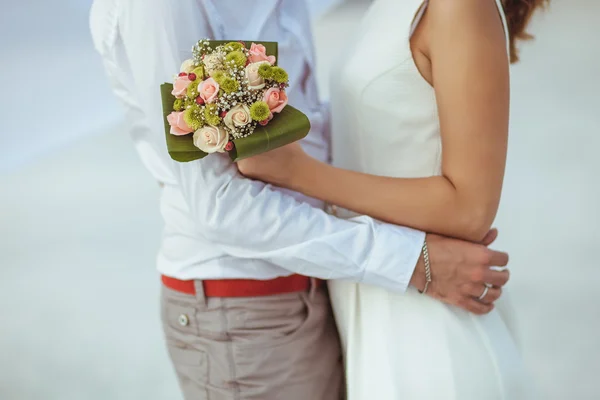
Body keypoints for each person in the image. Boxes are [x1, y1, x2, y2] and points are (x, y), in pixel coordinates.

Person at [90, 0, 512, 398]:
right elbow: (219, 206)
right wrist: (408, 261)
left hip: (338, 288)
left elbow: (316, 134)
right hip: (243, 309)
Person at [239, 0, 549, 398]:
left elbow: (469, 208)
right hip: (378, 314)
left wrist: (299, 173)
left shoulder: (460, 7)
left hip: (433, 342)